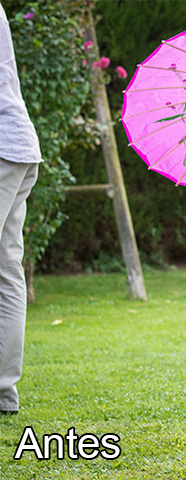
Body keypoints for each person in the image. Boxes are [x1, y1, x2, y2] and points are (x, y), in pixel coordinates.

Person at [0, 3, 42, 416]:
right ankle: (4, 393)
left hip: (1, 145)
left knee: (7, 270)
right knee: (7, 269)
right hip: (17, 144)